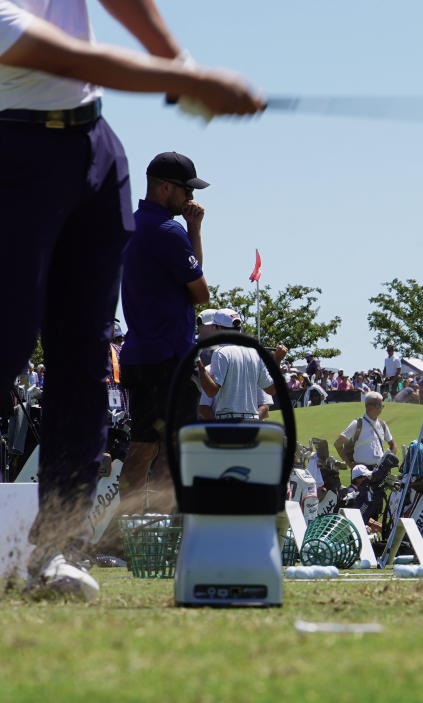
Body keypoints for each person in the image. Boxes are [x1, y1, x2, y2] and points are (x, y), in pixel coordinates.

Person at [0, 0, 265, 599]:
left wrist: (176, 59)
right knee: (8, 344)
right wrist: (184, 79)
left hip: (95, 147)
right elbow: (60, 53)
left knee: (86, 361)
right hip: (13, 148)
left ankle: (55, 550)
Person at [119, 151, 210, 520]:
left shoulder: (129, 223)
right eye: (187, 190)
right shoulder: (170, 231)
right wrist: (194, 233)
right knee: (178, 449)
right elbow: (201, 293)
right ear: (166, 187)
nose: (191, 199)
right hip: (170, 356)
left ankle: (118, 537)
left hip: (137, 354)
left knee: (141, 447)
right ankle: (156, 533)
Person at [197, 308, 286, 418]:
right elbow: (272, 389)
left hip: (229, 422)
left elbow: (211, 391)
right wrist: (277, 360)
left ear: (219, 328)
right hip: (252, 423)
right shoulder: (255, 353)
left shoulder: (220, 353)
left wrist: (198, 361)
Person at [333, 392, 397, 470]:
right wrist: (349, 464)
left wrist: (389, 461)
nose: (379, 409)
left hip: (380, 469)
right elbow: (338, 444)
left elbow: (393, 445)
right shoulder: (357, 424)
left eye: (381, 406)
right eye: (377, 406)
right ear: (367, 406)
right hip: (361, 472)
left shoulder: (382, 424)